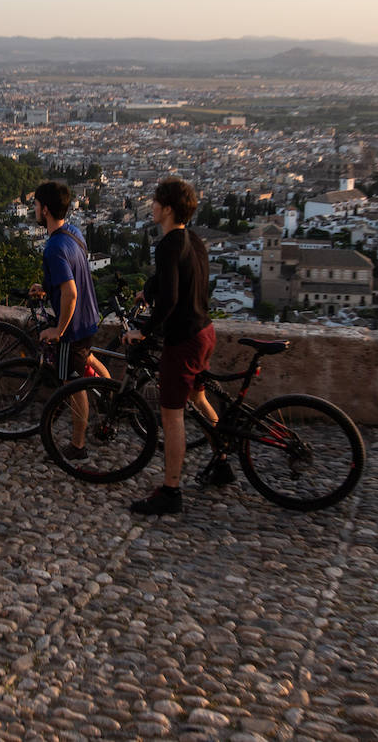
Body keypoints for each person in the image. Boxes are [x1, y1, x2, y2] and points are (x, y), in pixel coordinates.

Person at [122, 177, 221, 516]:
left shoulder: (166, 245)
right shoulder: (194, 239)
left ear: (166, 209)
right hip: (205, 331)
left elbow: (170, 298)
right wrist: (148, 290)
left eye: (155, 201)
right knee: (199, 399)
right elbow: (177, 278)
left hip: (183, 340)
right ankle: (222, 459)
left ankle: (171, 490)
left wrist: (144, 332)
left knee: (172, 415)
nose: (150, 206)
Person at [28, 181, 109, 458]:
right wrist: (46, 286)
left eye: (36, 205)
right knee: (85, 358)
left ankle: (78, 446)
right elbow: (71, 273)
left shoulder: (53, 247)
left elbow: (70, 293)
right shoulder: (74, 232)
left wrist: (58, 330)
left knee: (73, 385)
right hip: (89, 316)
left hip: (72, 327)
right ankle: (110, 395)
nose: (34, 209)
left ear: (45, 209)